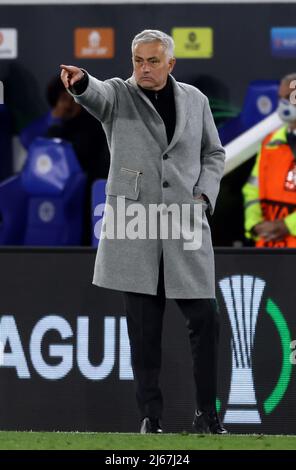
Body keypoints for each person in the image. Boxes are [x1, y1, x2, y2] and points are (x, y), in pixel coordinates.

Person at [60, 29, 227, 434]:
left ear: (171, 64)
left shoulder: (196, 99)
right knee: (144, 332)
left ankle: (208, 415)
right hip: (135, 228)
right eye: (138, 60)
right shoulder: (119, 93)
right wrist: (81, 81)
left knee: (206, 321)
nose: (144, 68)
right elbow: (94, 94)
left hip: (185, 224)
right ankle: (150, 419)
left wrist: (203, 197)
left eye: (153, 61)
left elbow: (214, 153)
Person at [20, 75, 110, 244]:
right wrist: (54, 119)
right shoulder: (56, 122)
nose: (68, 104)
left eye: (72, 98)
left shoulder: (92, 123)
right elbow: (29, 141)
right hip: (51, 190)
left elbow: (78, 155)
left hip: (86, 189)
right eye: (63, 98)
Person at [242, 73, 296, 247]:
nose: (283, 103)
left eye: (289, 97)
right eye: (281, 97)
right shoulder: (271, 142)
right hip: (269, 251)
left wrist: (287, 225)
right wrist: (254, 224)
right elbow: (252, 189)